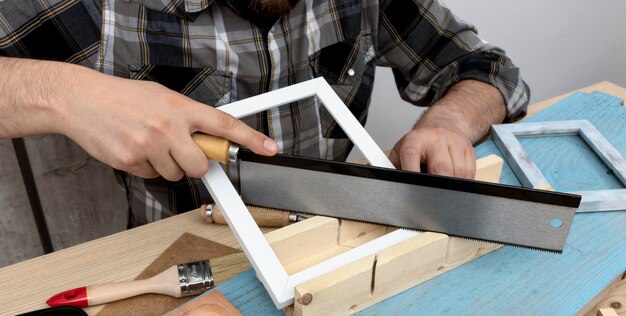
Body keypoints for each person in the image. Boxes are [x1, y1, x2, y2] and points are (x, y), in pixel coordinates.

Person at [0, 0, 529, 226]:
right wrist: (69, 94)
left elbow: (486, 68)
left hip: (337, 232)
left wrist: (449, 122)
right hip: (186, 257)